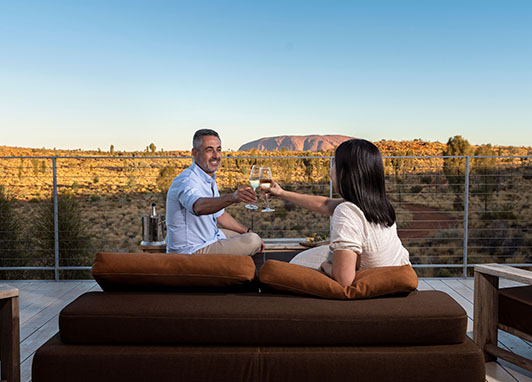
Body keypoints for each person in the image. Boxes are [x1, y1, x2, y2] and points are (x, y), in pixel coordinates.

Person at [264, 138, 410, 287]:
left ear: (346, 173)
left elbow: (344, 279)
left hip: (373, 286)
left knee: (294, 265)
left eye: (334, 164)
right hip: (394, 277)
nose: (330, 172)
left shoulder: (347, 211)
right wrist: (281, 193)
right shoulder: (378, 204)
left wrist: (325, 265)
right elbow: (325, 204)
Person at [166, 129, 264, 255]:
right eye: (209, 150)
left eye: (218, 149)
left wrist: (247, 231)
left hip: (211, 238)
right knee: (252, 241)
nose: (216, 156)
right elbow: (198, 206)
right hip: (191, 251)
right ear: (195, 153)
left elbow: (220, 216)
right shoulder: (187, 181)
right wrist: (232, 197)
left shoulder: (208, 178)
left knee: (247, 236)